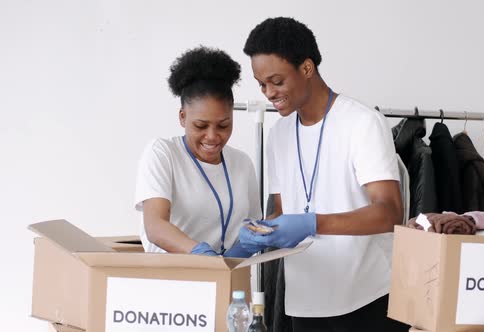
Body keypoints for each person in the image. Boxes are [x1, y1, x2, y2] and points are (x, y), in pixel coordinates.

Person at [239, 17, 410, 332]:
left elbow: (389, 213)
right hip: (305, 303)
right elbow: (281, 210)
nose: (268, 93)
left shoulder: (362, 123)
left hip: (368, 298)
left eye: (277, 81)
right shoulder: (278, 134)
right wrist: (261, 231)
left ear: (306, 68)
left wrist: (313, 222)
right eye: (261, 83)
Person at [134, 46, 263, 258]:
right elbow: (155, 227)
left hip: (226, 278)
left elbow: (252, 227)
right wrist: (200, 253)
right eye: (201, 126)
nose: (212, 136)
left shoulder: (241, 163)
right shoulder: (163, 154)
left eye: (223, 125)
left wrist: (240, 251)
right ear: (182, 117)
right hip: (174, 280)